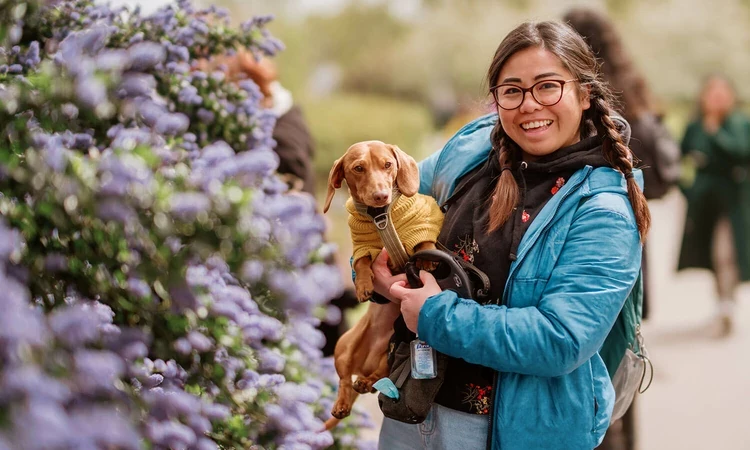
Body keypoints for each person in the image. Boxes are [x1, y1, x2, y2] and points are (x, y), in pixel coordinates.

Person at [369, 20, 648, 449]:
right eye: (512, 90)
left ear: (583, 93)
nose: (529, 105)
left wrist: (432, 315)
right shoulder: (472, 148)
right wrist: (377, 264)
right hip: (412, 408)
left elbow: (559, 339)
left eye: (547, 86)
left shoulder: (603, 209)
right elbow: (390, 202)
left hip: (506, 432)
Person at [563, 9, 681, 450]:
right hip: (630, 232)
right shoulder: (633, 91)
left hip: (581, 239)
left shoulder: (575, 97)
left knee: (585, 369)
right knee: (620, 362)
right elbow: (664, 176)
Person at [198, 51, 359, 356]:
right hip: (295, 254)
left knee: (315, 342)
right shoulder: (282, 116)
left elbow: (294, 187)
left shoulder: (282, 128)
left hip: (296, 256)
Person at [677, 74, 750, 337]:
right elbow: (678, 157)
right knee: (711, 255)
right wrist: (687, 189)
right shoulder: (696, 125)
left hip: (734, 201)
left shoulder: (739, 123)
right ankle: (722, 302)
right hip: (705, 201)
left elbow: (741, 152)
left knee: (726, 253)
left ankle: (726, 305)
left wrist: (716, 132)